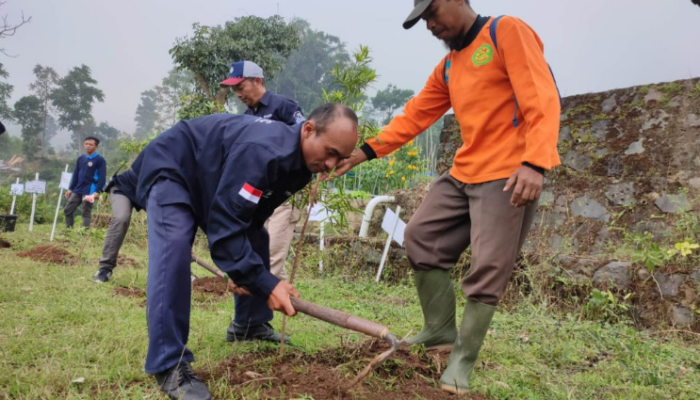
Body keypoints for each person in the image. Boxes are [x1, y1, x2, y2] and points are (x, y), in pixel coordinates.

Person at [332, 0, 561, 394]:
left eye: (433, 13)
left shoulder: (505, 32)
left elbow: (541, 96)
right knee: (420, 235)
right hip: (463, 172)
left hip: (507, 174)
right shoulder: (451, 65)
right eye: (424, 20)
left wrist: (535, 163)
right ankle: (439, 331)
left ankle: (462, 361)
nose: (430, 25)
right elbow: (416, 114)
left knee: (488, 265)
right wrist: (366, 151)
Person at [133, 104, 358, 400]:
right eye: (330, 152)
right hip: (174, 166)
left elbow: (247, 217)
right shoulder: (263, 151)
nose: (331, 165)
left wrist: (246, 273)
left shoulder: (302, 165)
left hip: (209, 178)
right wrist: (266, 284)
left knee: (257, 238)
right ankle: (168, 363)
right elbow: (224, 231)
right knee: (174, 248)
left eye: (340, 158)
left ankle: (249, 324)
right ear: (308, 130)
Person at [220, 60, 308, 343]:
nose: (238, 94)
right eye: (234, 89)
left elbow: (306, 140)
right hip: (254, 197)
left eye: (241, 87)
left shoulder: (283, 107)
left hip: (281, 197)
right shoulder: (247, 116)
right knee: (250, 254)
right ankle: (245, 323)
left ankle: (254, 323)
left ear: (258, 81)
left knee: (271, 257)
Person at [90, 166, 140, 283]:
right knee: (121, 218)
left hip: (144, 193)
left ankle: (181, 269)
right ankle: (105, 268)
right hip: (122, 187)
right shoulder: (157, 153)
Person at [64, 136, 107, 228]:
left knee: (86, 212)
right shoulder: (81, 158)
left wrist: (97, 191)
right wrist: (71, 188)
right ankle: (68, 229)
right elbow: (76, 174)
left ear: (96, 146)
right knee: (68, 209)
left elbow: (102, 177)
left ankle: (84, 231)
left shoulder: (100, 160)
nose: (87, 146)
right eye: (86, 144)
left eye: (90, 144)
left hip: (90, 190)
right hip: (78, 189)